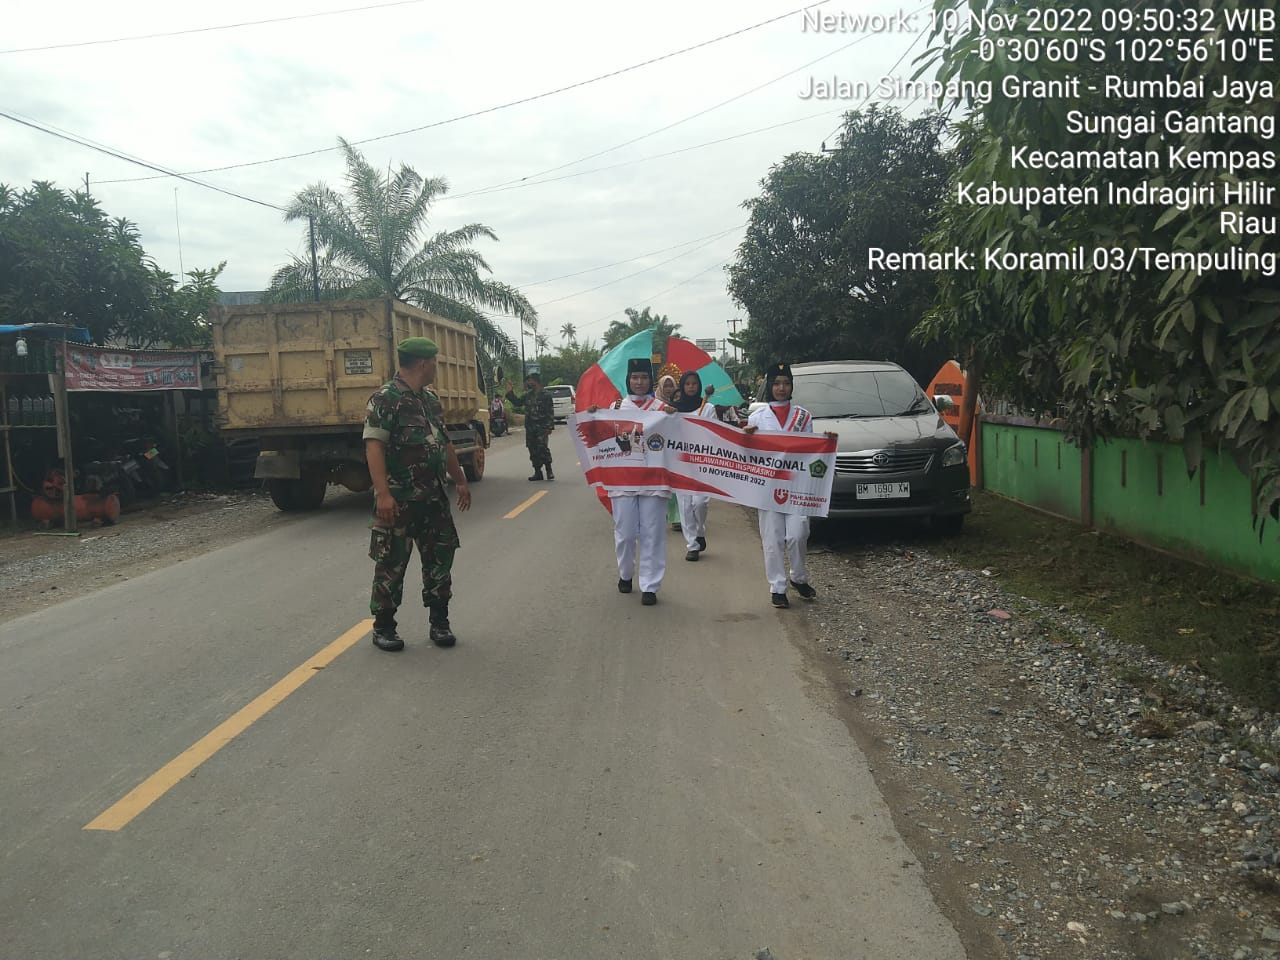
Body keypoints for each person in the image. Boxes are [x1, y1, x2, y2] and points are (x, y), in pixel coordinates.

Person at [363, 337, 472, 651]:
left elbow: (444, 442)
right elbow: (374, 446)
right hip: (399, 499)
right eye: (435, 362)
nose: (437, 367)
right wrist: (383, 494)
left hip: (433, 498)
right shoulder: (385, 399)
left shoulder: (429, 400)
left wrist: (460, 479)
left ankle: (440, 623)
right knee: (391, 563)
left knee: (440, 559)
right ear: (423, 363)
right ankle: (384, 626)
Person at [587, 358, 676, 605]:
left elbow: (679, 437)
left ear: (650, 380)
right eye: (635, 377)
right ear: (628, 380)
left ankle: (650, 585)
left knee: (652, 533)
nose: (639, 382)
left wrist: (674, 417)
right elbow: (598, 436)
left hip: (654, 481)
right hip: (622, 481)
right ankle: (625, 573)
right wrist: (593, 416)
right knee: (625, 533)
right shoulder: (615, 407)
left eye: (644, 377)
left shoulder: (661, 409)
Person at [743, 362, 826, 609]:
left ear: (792, 386)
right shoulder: (757, 417)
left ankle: (798, 577)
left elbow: (810, 450)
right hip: (768, 486)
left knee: (799, 533)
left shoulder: (804, 416)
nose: (781, 388)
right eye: (776, 383)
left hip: (797, 485)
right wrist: (746, 437)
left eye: (786, 383)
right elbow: (749, 454)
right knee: (773, 538)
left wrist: (826, 443)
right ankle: (777, 587)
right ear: (769, 386)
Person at [672, 370, 717, 561]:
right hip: (680, 462)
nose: (691, 387)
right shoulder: (673, 409)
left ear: (699, 386)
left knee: (700, 504)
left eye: (694, 383)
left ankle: (699, 531)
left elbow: (716, 433)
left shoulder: (707, 408)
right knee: (684, 505)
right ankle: (692, 545)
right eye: (688, 383)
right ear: (682, 386)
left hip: (702, 463)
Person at [505, 371, 556, 480]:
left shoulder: (546, 395)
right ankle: (538, 472)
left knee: (543, 448)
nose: (529, 382)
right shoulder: (528, 395)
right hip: (530, 427)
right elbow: (517, 402)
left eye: (530, 380)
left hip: (542, 427)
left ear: (536, 380)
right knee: (532, 449)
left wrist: (549, 427)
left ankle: (549, 470)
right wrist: (510, 392)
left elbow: (550, 412)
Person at [655, 375, 681, 528]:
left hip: (675, 448)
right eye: (666, 386)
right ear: (660, 387)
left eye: (671, 386)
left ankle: (676, 517)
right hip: (657, 449)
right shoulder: (654, 405)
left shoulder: (681, 403)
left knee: (675, 482)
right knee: (661, 483)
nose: (669, 389)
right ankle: (661, 512)